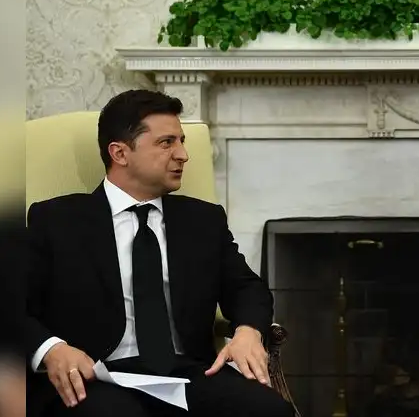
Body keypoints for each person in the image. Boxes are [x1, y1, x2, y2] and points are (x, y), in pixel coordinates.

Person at [25, 90, 295, 417]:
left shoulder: (204, 220)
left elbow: (246, 288)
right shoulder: (56, 220)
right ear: (120, 153)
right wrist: (52, 350)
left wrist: (248, 332)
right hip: (95, 377)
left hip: (186, 374)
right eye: (167, 143)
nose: (183, 154)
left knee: (269, 410)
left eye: (181, 141)